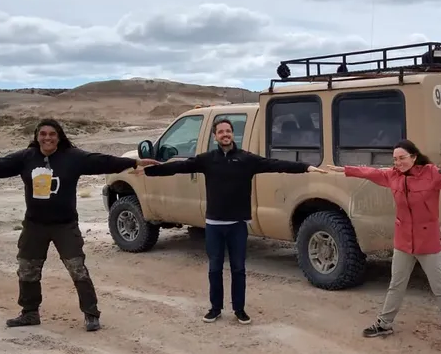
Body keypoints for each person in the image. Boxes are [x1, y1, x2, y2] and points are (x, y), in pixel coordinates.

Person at [0, 118, 158, 332]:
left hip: (65, 225)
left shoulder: (73, 157)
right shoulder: (26, 157)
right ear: (36, 137)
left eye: (52, 134)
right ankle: (29, 313)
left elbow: (102, 161)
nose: (47, 138)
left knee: (77, 269)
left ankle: (91, 314)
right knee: (27, 269)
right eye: (42, 134)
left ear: (59, 137)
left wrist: (135, 162)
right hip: (34, 225)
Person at [324, 139, 441, 354]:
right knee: (396, 285)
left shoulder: (432, 175)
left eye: (402, 158)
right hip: (403, 243)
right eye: (395, 159)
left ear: (414, 157)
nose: (398, 163)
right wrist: (344, 170)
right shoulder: (391, 176)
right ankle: (384, 324)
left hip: (428, 243)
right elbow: (368, 172)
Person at [140, 117, 326, 324]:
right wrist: (148, 170)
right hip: (214, 225)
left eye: (228, 131)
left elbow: (276, 164)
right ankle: (215, 308)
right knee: (214, 269)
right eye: (221, 132)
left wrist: (306, 167)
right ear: (215, 136)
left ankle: (239, 310)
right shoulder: (207, 159)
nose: (225, 135)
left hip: (238, 224)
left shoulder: (246, 159)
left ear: (232, 134)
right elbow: (178, 167)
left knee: (238, 269)